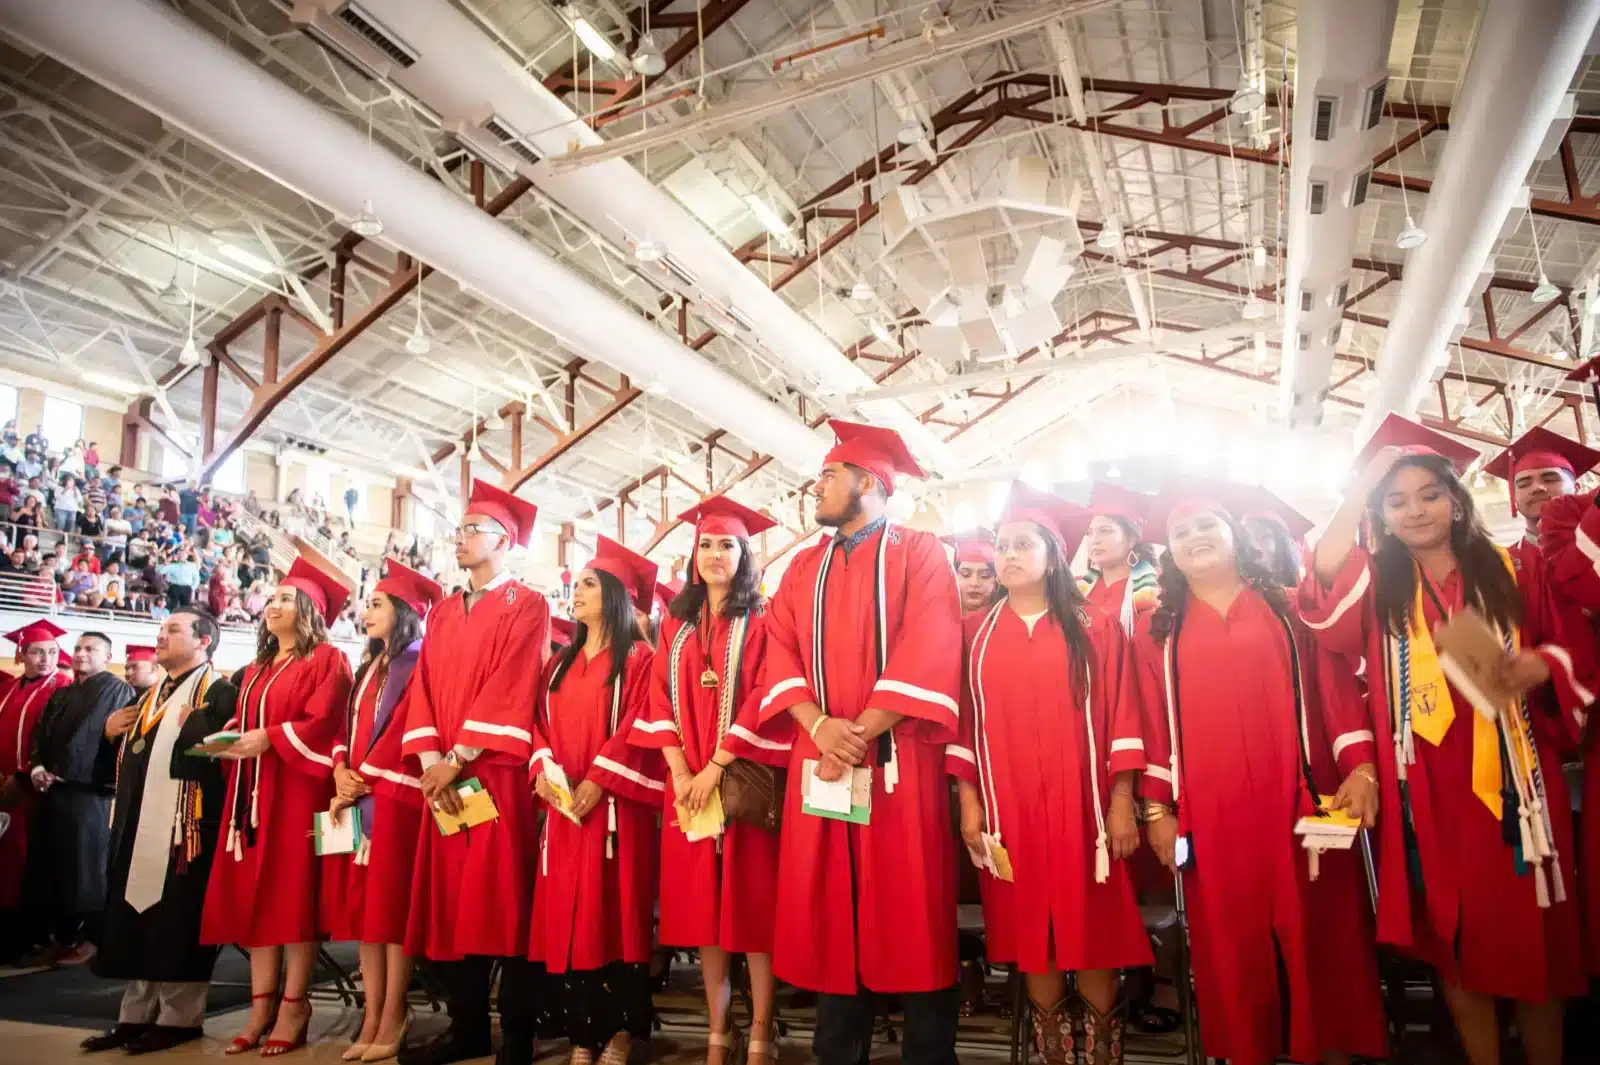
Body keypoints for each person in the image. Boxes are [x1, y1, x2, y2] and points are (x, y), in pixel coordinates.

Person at [1301, 415, 1591, 1065]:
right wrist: (1361, 486)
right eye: (1396, 501)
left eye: (1429, 494)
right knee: (1456, 952)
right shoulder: (1377, 584)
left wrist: (1542, 664)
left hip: (1518, 789)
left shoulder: (1517, 570)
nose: (1416, 510)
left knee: (1534, 953)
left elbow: (1570, 652)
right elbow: (1320, 586)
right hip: (1427, 795)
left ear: (1457, 501)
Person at [1136, 476, 1388, 1065]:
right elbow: (1151, 724)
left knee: (1326, 929)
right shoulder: (1159, 633)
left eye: (1206, 526)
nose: (1194, 537)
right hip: (1211, 810)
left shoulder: (1288, 604)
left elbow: (1334, 692)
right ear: (1168, 551)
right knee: (1228, 939)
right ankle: (1245, 1052)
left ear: (1233, 535)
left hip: (1308, 796)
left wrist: (1362, 766)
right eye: (1180, 532)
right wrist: (1157, 808)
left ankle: (1331, 1050)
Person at [756, 420, 963, 1065]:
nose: (815, 488)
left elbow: (930, 641)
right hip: (822, 758)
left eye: (827, 477)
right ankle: (835, 1051)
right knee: (827, 908)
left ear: (868, 483)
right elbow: (776, 648)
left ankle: (930, 1054)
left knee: (909, 905)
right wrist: (820, 727)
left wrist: (860, 730)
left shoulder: (920, 551)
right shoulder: (802, 566)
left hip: (897, 761)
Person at [949, 485, 1149, 1065]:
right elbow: (963, 728)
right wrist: (969, 804)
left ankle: (1102, 1054)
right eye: (1001, 546)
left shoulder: (1097, 625)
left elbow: (1123, 715)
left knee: (1092, 930)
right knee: (1030, 931)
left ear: (1054, 554)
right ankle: (1054, 1053)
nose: (1006, 556)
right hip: (1007, 807)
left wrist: (1121, 799)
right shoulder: (974, 637)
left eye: (1021, 545)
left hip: (1084, 807)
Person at [630, 497, 791, 1065]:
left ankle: (762, 1028)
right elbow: (656, 697)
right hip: (688, 787)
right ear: (692, 554)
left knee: (752, 909)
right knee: (704, 911)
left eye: (727, 545)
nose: (715, 554)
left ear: (745, 555)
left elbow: (764, 696)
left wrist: (715, 768)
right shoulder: (675, 621)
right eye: (706, 544)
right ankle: (718, 1027)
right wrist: (680, 771)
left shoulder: (765, 618)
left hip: (740, 780)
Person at [398, 479, 547, 1065]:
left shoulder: (526, 604)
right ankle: (466, 1028)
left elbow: (514, 684)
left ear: (503, 540)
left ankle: (517, 1036)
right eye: (458, 530)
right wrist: (433, 762)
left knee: (503, 903)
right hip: (444, 777)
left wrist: (459, 759)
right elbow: (425, 688)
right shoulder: (441, 611)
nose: (459, 539)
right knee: (453, 902)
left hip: (495, 775)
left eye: (471, 531)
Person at [201, 556, 354, 1056]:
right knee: (254, 897)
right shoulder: (258, 667)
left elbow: (328, 722)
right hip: (252, 794)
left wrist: (270, 738)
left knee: (291, 896)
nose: (273, 605)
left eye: (286, 598)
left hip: (297, 789)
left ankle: (294, 1003)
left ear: (310, 609)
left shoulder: (328, 660)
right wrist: (232, 744)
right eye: (271, 598)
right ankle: (260, 1005)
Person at [530, 536, 664, 1065]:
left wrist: (599, 780)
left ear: (614, 594)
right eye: (577, 583)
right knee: (569, 922)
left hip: (613, 810)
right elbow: (536, 726)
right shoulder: (559, 662)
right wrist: (542, 771)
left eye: (588, 583)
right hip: (564, 811)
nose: (577, 591)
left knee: (616, 917)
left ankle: (622, 1033)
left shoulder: (640, 658)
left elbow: (639, 726)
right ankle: (583, 1034)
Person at [85, 609, 237, 1055]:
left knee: (176, 919)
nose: (161, 636)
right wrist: (108, 733)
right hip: (139, 823)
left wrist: (196, 722)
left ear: (204, 641)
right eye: (161, 630)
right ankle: (135, 1015)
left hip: (187, 829)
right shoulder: (151, 695)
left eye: (173, 630)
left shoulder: (221, 693)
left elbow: (222, 756)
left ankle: (179, 1018)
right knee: (139, 912)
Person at [323, 562, 442, 1062]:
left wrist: (363, 777)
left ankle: (394, 1013)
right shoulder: (368, 664)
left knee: (390, 915)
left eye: (376, 604)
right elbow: (344, 730)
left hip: (396, 800)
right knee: (362, 915)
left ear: (406, 612)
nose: (365, 611)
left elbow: (410, 731)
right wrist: (339, 771)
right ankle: (372, 1013)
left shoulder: (419, 663)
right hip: (357, 797)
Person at [25, 632, 137, 965]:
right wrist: (38, 768)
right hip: (54, 789)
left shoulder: (116, 689)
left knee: (85, 868)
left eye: (90, 649)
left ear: (107, 655)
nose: (81, 654)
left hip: (88, 792)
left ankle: (91, 938)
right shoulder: (62, 693)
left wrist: (61, 770)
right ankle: (61, 936)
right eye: (77, 648)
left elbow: (91, 734)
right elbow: (40, 734)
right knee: (53, 867)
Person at [0, 620, 72, 961]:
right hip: (5, 789)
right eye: (37, 652)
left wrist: (24, 776)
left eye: (52, 652)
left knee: (29, 863)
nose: (45, 659)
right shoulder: (11, 688)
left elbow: (58, 742)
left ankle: (26, 937)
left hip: (35, 790)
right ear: (22, 654)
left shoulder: (62, 688)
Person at [1482, 426, 1600, 578]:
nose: (1537, 488)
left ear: (1577, 488)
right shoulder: (1502, 567)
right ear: (1514, 496)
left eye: (1550, 479)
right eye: (1524, 484)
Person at [1081, 482, 1159, 633]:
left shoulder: (1156, 586)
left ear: (1131, 539)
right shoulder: (1076, 589)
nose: (1095, 540)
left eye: (1105, 531)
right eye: (1089, 533)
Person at [1241, 488, 1312, 588]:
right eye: (1247, 539)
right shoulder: (1242, 593)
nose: (1254, 546)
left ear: (1283, 544)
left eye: (1264, 537)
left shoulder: (1305, 591)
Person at [941, 528, 999, 615]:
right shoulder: (937, 617)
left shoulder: (1004, 621)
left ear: (996, 580)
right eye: (965, 574)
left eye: (985, 576)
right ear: (954, 576)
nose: (974, 583)